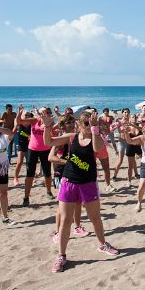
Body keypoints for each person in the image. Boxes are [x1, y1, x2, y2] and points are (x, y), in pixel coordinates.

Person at [41, 110, 119, 273]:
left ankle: (102, 245)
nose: (89, 126)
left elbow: (98, 149)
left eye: (91, 123)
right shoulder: (71, 137)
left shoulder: (95, 138)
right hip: (69, 182)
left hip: (88, 183)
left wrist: (96, 128)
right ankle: (61, 256)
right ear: (79, 124)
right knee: (65, 221)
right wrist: (48, 126)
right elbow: (48, 142)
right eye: (86, 123)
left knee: (95, 218)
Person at [48, 114, 88, 243]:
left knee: (78, 202)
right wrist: (67, 162)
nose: (71, 124)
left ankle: (77, 226)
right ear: (62, 126)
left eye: (72, 121)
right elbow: (50, 157)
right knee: (61, 207)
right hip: (61, 175)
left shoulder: (76, 138)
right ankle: (58, 232)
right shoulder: (62, 139)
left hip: (76, 174)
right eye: (68, 122)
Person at [17, 107, 55, 205]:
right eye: (41, 112)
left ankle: (48, 191)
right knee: (30, 174)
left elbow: (52, 132)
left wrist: (48, 122)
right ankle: (26, 197)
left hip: (45, 149)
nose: (43, 114)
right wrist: (19, 113)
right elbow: (19, 121)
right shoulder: (34, 121)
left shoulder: (50, 121)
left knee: (47, 173)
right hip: (32, 149)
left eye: (45, 112)